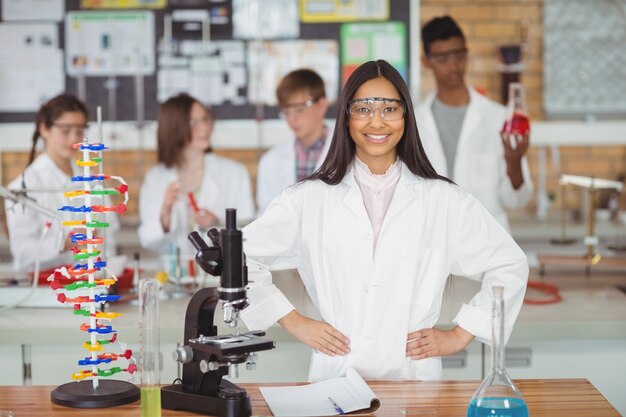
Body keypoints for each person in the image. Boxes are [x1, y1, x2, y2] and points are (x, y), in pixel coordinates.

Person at [240, 60, 529, 382]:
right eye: (363, 109)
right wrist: (293, 320)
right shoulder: (308, 199)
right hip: (335, 375)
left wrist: (461, 334)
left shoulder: (443, 200)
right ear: (346, 117)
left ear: (406, 116)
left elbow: (509, 265)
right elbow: (237, 257)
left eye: (389, 109)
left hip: (414, 378)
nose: (376, 122)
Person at [416, 15, 533, 231]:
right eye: (442, 58)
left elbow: (517, 201)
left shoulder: (498, 118)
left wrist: (514, 163)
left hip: (486, 246)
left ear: (467, 55)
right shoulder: (413, 123)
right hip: (432, 244)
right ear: (426, 62)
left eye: (458, 55)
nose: (453, 65)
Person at [4, 94, 119, 273]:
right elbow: (22, 254)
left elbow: (109, 234)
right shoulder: (23, 187)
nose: (74, 138)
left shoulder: (91, 178)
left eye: (80, 131)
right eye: (66, 130)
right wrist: (65, 242)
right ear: (44, 129)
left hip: (92, 283)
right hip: (47, 289)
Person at [138, 93, 255, 255]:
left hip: (219, 274)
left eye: (206, 119)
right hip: (173, 274)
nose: (205, 127)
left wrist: (216, 223)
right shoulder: (155, 179)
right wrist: (165, 214)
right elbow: (148, 240)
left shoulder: (234, 173)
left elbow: (249, 233)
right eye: (193, 122)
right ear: (173, 128)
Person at [256, 68, 332, 215]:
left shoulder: (350, 151)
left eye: (299, 109)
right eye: (286, 112)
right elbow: (264, 217)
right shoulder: (270, 161)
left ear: (322, 105)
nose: (292, 119)